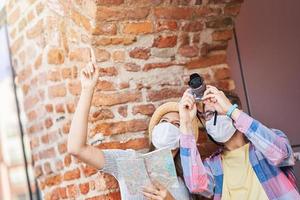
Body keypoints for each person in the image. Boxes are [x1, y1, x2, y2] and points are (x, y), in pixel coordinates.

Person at [67, 48, 200, 200]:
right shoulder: (130, 162)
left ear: (183, 136)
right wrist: (87, 89)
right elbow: (76, 148)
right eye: (164, 122)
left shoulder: (188, 183)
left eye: (177, 125)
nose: (168, 127)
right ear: (155, 130)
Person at [178, 84, 300, 200]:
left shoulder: (266, 144)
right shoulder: (212, 165)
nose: (212, 119)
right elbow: (196, 186)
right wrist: (185, 123)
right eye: (208, 115)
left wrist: (230, 110)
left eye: (218, 109)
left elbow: (281, 155)